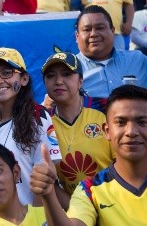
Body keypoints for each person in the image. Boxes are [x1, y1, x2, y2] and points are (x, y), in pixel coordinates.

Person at [30, 85, 147, 225]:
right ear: (107, 131)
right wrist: (49, 194)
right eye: (121, 122)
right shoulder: (90, 189)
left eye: (142, 122)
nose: (131, 132)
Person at [0, 47, 62, 207]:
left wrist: (35, 220)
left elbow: (44, 177)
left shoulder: (39, 116)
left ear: (24, 79)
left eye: (7, 73)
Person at [41, 52, 113, 207]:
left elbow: (125, 162)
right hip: (74, 210)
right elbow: (50, 183)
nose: (58, 81)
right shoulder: (44, 123)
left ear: (80, 81)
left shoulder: (106, 109)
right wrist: (79, 211)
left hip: (116, 202)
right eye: (51, 76)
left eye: (67, 74)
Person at [74, 5, 147, 98]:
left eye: (100, 28)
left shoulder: (137, 59)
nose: (93, 34)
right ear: (77, 36)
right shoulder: (68, 70)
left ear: (112, 31)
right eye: (87, 29)